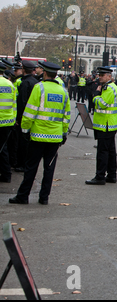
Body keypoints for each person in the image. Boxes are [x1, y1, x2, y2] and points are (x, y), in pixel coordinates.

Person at [9, 62, 70, 204]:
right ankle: (44, 198)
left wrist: (25, 130)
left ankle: (23, 196)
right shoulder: (63, 91)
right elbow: (66, 116)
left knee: (31, 168)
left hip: (38, 135)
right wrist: (64, 133)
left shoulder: (39, 88)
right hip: (55, 137)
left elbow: (29, 112)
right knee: (49, 169)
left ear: (45, 73)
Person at [85, 67, 117, 186]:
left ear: (109, 77)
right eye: (99, 75)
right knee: (110, 151)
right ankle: (111, 175)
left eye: (102, 75)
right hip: (110, 124)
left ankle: (100, 176)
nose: (100, 77)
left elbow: (102, 104)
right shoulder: (111, 87)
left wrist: (95, 95)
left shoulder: (109, 89)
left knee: (102, 152)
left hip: (105, 125)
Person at [15, 60, 38, 172]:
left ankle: (22, 164)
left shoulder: (25, 83)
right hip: (34, 116)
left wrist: (19, 117)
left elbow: (22, 102)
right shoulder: (35, 82)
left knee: (23, 142)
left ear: (23, 69)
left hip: (24, 116)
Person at [0, 62, 16, 183]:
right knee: (3, 148)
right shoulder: (9, 84)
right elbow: (14, 104)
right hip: (8, 121)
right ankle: (6, 174)